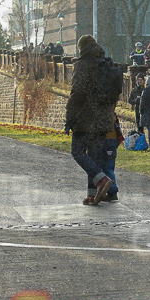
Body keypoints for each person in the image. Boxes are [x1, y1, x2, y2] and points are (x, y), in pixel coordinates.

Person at [64, 34, 121, 206]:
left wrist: (70, 117)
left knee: (78, 152)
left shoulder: (84, 65)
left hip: (87, 119)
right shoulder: (107, 65)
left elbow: (78, 93)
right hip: (104, 120)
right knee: (94, 156)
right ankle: (92, 195)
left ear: (81, 48)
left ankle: (102, 180)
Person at [101, 113, 123, 202]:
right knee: (108, 167)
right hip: (111, 141)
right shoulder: (112, 113)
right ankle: (109, 191)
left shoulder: (106, 114)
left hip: (107, 141)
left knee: (107, 168)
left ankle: (112, 192)